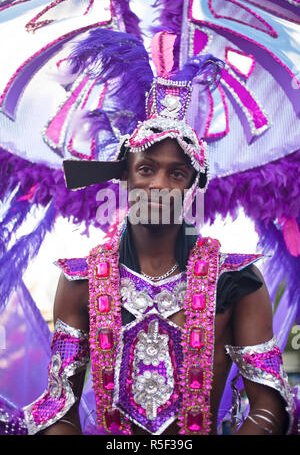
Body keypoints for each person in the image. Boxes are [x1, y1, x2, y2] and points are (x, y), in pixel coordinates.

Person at [21, 29, 295, 436]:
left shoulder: (237, 280)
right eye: (146, 169)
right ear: (124, 178)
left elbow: (269, 406)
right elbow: (60, 407)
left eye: (177, 173)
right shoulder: (80, 280)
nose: (159, 185)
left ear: (192, 187)